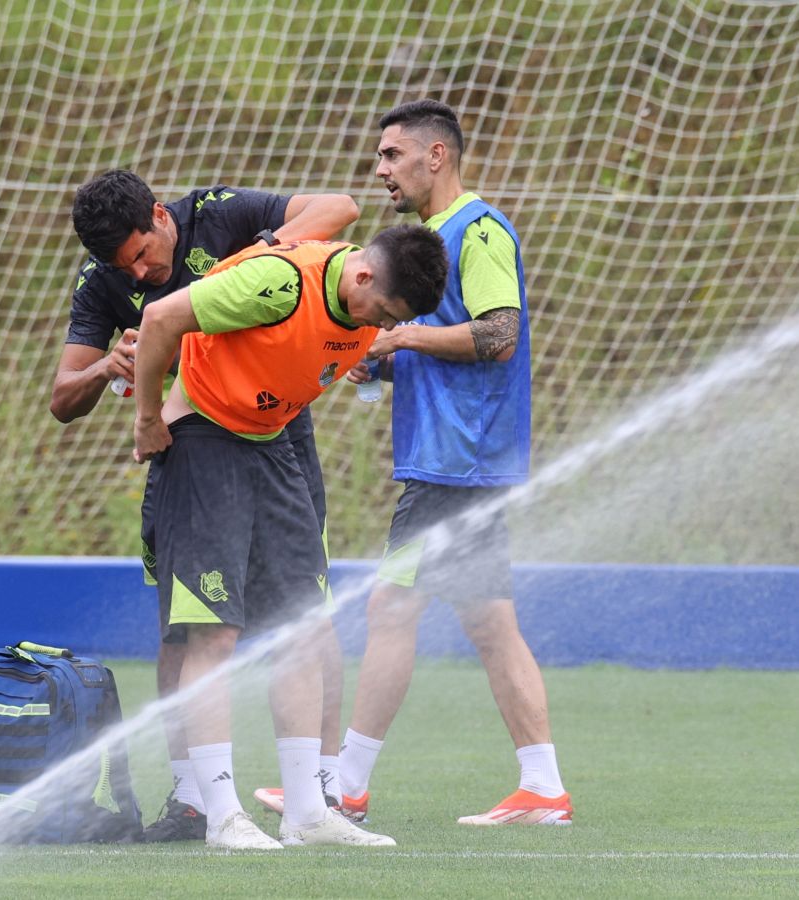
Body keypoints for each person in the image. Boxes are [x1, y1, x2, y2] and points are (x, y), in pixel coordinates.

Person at [57, 169, 358, 840]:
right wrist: (109, 367)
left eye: (140, 255)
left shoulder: (219, 215)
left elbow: (339, 207)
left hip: (279, 430)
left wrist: (251, 263)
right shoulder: (104, 283)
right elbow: (61, 399)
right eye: (121, 267)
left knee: (304, 615)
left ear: (162, 217)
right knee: (190, 625)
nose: (137, 275)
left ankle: (320, 794)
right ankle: (198, 800)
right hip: (190, 442)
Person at [132, 225, 448, 849]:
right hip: (204, 440)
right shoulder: (279, 284)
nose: (380, 329)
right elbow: (162, 316)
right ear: (362, 277)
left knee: (302, 627)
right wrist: (147, 417)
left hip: (272, 443)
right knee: (215, 631)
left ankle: (306, 811)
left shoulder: (365, 312)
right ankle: (221, 815)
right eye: (383, 313)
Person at [339, 99, 571, 827]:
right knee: (490, 625)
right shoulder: (429, 239)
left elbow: (499, 335)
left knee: (389, 607)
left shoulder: (479, 230)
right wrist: (380, 364)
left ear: (434, 157)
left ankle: (342, 785)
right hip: (454, 463)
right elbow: (445, 348)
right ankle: (541, 788)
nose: (380, 169)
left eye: (390, 155)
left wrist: (400, 340)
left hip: (458, 464)